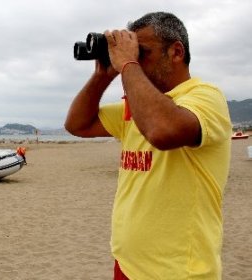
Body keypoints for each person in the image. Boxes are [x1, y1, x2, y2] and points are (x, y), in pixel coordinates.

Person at [65, 12, 231, 279]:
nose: (135, 62)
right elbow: (77, 125)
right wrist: (102, 76)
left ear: (176, 52)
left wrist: (128, 63)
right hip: (128, 263)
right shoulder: (137, 107)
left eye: (142, 52)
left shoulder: (205, 96)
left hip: (178, 272)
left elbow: (162, 130)